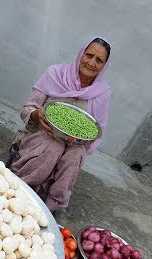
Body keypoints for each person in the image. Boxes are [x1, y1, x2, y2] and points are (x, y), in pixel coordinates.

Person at [10, 37, 111, 212]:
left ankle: (51, 206)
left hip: (73, 142)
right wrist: (37, 114)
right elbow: (27, 109)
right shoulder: (54, 74)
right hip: (41, 135)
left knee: (75, 155)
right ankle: (22, 187)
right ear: (81, 54)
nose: (92, 63)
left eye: (99, 60)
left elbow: (97, 129)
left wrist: (86, 141)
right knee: (53, 146)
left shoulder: (102, 93)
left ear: (104, 66)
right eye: (89, 55)